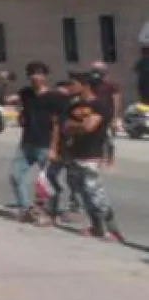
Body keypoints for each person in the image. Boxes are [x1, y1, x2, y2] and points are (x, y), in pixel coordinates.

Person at [50, 71, 122, 241]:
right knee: (83, 193)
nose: (70, 87)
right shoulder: (72, 106)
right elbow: (63, 126)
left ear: (84, 85)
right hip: (74, 153)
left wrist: (74, 126)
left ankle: (111, 229)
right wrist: (77, 125)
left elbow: (89, 127)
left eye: (73, 84)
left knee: (95, 192)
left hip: (91, 154)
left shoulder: (100, 105)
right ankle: (97, 227)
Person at [8, 61, 64, 220]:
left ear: (45, 77)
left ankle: (51, 211)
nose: (36, 77)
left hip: (45, 144)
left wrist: (54, 147)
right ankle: (25, 207)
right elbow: (17, 107)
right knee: (15, 175)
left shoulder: (54, 97)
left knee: (46, 181)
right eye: (32, 74)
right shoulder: (25, 94)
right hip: (27, 142)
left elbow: (56, 124)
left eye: (39, 74)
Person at [90, 60, 123, 138]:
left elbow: (116, 101)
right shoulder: (90, 85)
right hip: (93, 115)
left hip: (107, 115)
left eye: (98, 71)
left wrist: (115, 118)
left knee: (107, 138)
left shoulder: (111, 86)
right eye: (94, 71)